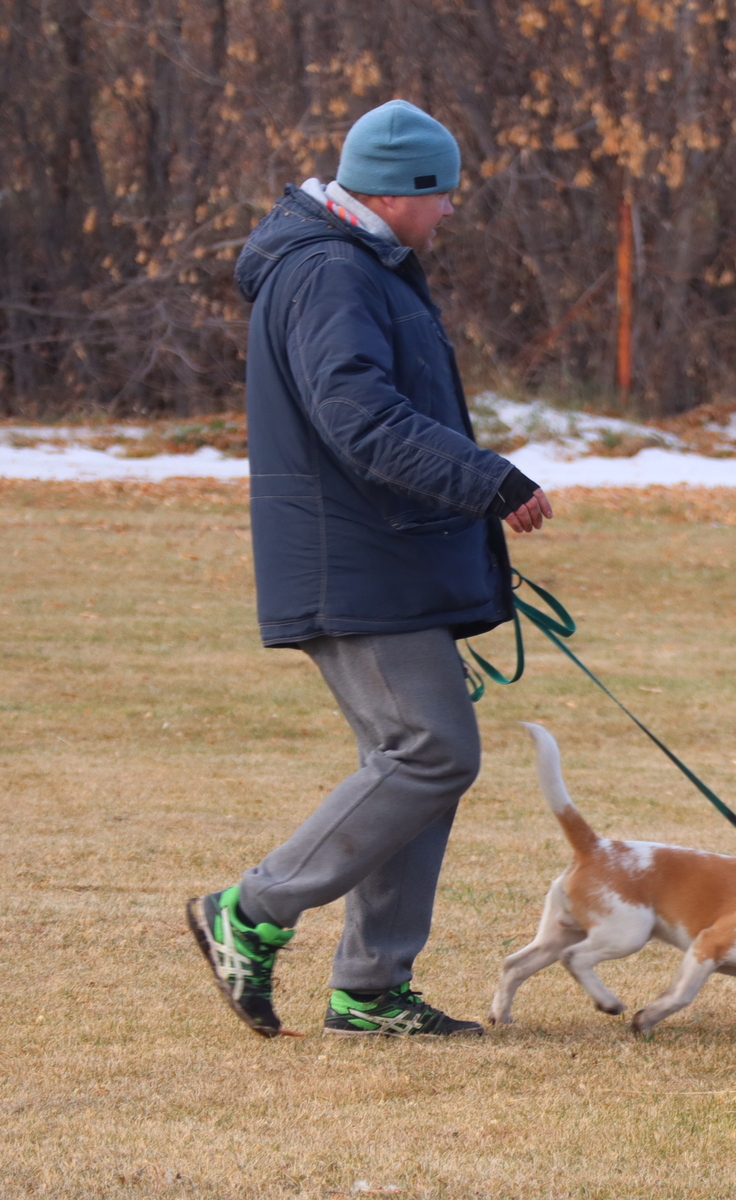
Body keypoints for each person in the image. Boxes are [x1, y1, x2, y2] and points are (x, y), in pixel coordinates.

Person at [186, 99, 555, 1039]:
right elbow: (360, 421)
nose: (451, 214)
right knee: (432, 752)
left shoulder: (361, 264)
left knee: (414, 760)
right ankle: (252, 910)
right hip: (352, 563)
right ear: (401, 194)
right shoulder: (327, 273)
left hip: (383, 558)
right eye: (445, 197)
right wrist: (489, 480)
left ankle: (371, 988)